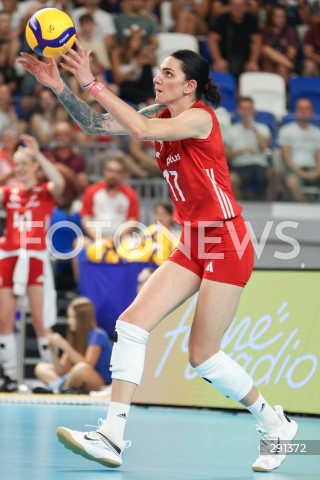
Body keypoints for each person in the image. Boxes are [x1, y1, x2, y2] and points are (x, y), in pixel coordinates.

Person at [18, 39, 298, 473]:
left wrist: (92, 80)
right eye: (158, 72)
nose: (157, 78)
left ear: (190, 86)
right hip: (192, 241)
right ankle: (111, 436)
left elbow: (143, 133)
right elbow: (95, 125)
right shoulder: (158, 112)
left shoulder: (200, 119)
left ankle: (273, 423)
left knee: (203, 355)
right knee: (130, 325)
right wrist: (58, 85)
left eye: (167, 73)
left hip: (227, 240)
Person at [0, 134, 65, 392]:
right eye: (17, 163)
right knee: (5, 320)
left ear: (35, 165)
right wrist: (8, 174)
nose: (20, 168)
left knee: (40, 320)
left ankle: (50, 378)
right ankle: (10, 376)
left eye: (25, 163)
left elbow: (59, 182)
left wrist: (37, 154)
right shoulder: (9, 192)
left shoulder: (45, 190)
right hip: (9, 256)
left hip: (35, 256)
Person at [34, 296, 113, 394]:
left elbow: (88, 365)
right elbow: (61, 371)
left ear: (82, 319)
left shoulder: (98, 334)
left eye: (72, 317)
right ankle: (62, 388)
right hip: (73, 378)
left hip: (101, 383)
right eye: (69, 317)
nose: (69, 321)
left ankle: (58, 387)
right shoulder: (75, 336)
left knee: (81, 369)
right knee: (41, 367)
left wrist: (65, 346)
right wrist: (53, 351)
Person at [223, 96, 282, 201]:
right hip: (241, 166)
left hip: (260, 165)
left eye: (249, 109)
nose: (246, 112)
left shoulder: (262, 128)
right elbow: (226, 155)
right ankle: (240, 208)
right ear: (239, 111)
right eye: (243, 109)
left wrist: (254, 129)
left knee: (276, 173)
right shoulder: (231, 130)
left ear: (254, 111)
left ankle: (268, 205)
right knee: (231, 179)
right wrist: (242, 151)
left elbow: (265, 147)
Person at [278, 97, 320, 202]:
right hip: (293, 170)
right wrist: (302, 174)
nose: (304, 111)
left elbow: (319, 156)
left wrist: (317, 172)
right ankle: (309, 213)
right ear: (296, 111)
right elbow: (286, 158)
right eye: (301, 108)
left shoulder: (317, 132)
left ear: (312, 111)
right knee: (292, 182)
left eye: (307, 108)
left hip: (314, 169)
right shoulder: (286, 131)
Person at [208, 0, 261, 78]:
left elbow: (257, 41)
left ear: (246, 7)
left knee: (253, 69)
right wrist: (218, 60)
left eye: (241, 6)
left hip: (245, 60)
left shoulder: (251, 20)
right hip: (225, 58)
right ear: (230, 7)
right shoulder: (222, 19)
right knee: (220, 68)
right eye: (235, 6)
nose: (238, 9)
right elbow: (212, 40)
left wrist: (253, 61)